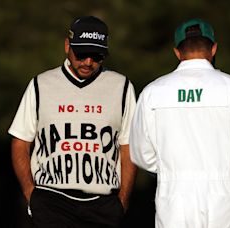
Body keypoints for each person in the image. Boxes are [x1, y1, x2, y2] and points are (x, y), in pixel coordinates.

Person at [129, 18, 230, 228]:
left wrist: (171, 169)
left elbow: (141, 153)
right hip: (224, 198)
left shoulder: (153, 92)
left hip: (174, 197)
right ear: (213, 48)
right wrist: (227, 164)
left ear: (177, 52)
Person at [8, 16, 137, 228]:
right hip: (51, 200)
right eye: (82, 53)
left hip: (103, 203)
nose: (88, 62)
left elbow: (128, 146)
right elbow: (21, 140)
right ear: (67, 46)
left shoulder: (121, 86)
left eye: (96, 56)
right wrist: (30, 194)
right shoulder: (41, 84)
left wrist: (122, 201)